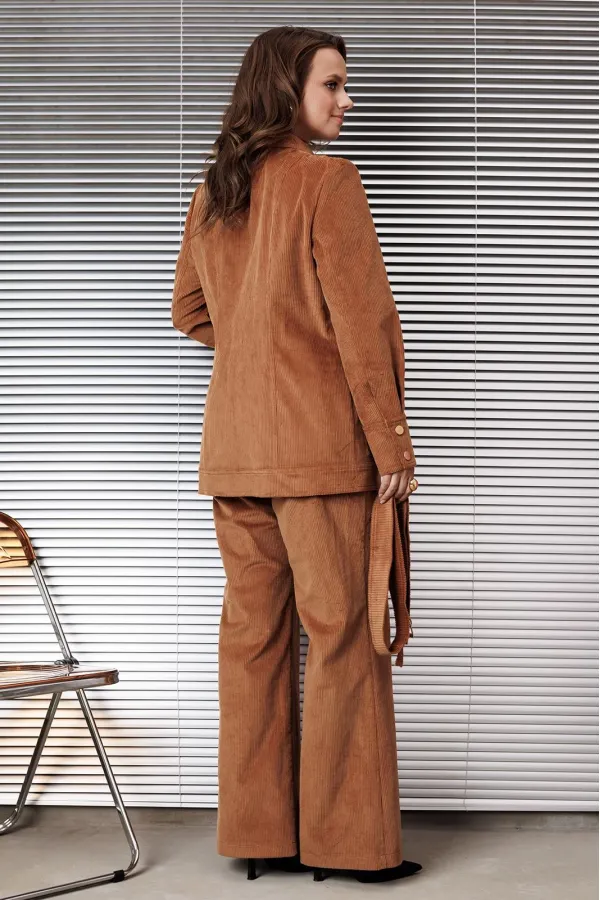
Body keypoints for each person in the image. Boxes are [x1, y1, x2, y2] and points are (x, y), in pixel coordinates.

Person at [171, 25, 422, 885]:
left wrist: (256, 350)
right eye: (333, 84)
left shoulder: (215, 191)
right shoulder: (325, 181)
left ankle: (259, 837)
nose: (346, 100)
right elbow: (363, 325)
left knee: (254, 643)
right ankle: (351, 849)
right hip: (320, 456)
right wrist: (391, 442)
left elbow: (189, 313)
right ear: (288, 90)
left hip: (236, 455)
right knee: (346, 637)